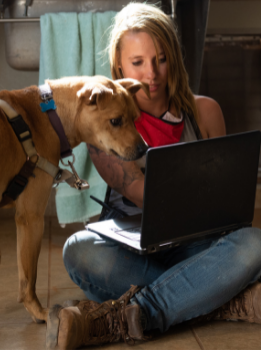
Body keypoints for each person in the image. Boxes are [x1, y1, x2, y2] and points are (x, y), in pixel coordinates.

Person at [51, 3, 261, 349]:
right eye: (138, 63)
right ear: (119, 64)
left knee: (254, 243)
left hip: (195, 245)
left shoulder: (205, 111)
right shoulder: (101, 120)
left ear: (174, 59)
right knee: (80, 252)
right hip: (131, 246)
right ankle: (219, 298)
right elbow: (144, 194)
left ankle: (138, 313)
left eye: (160, 59)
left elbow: (228, 204)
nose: (152, 74)